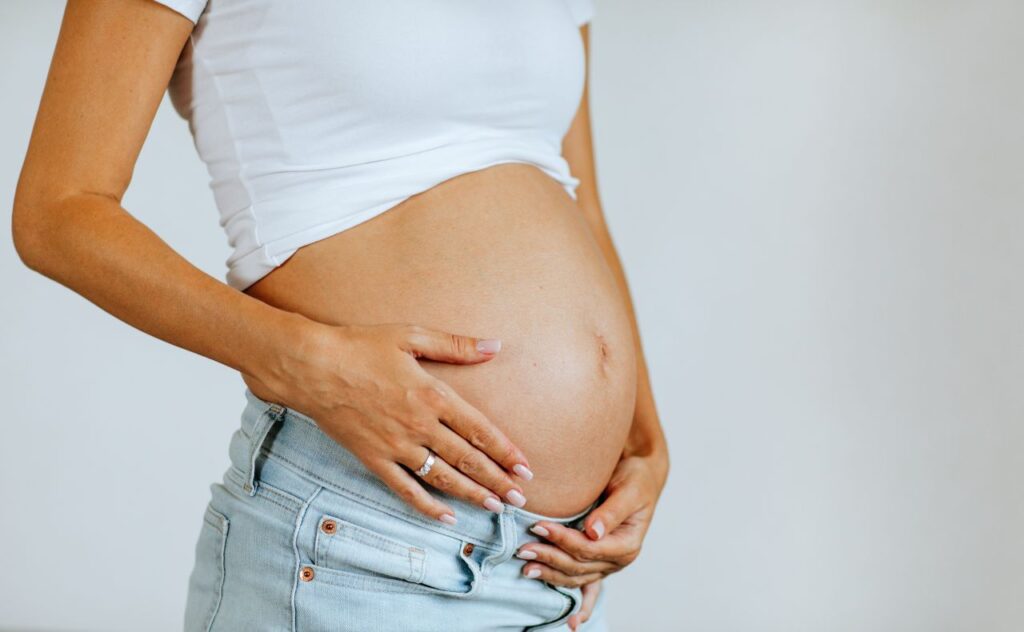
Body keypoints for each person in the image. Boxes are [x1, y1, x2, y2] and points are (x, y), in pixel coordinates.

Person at [12, 0, 670, 629]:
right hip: (359, 546)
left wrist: (643, 439)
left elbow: (581, 206)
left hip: (558, 569)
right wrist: (307, 362)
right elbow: (59, 212)